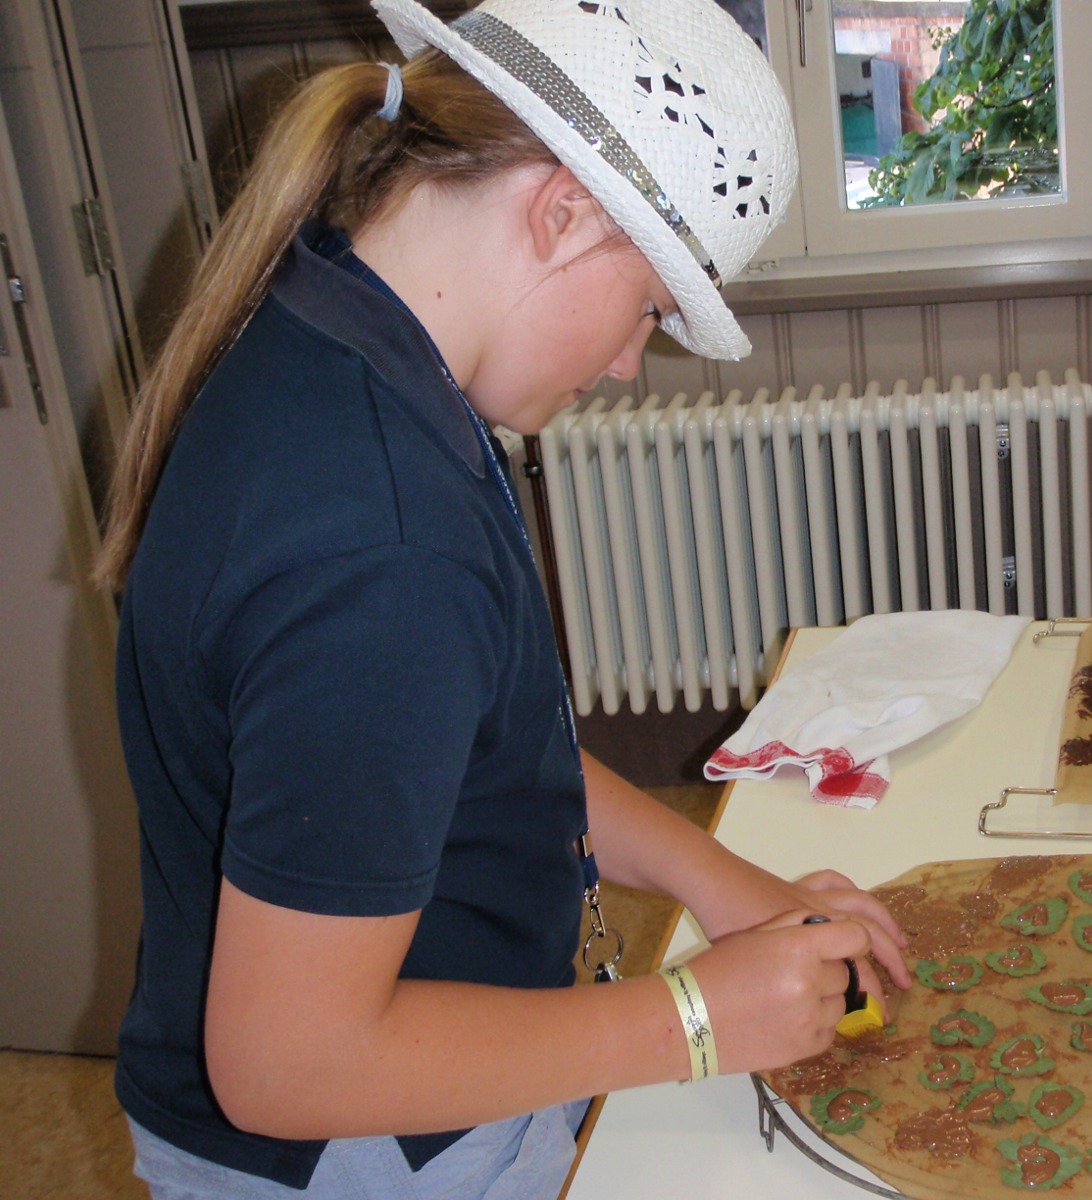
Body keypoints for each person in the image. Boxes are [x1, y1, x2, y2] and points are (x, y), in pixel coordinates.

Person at [94, 1, 912, 1195]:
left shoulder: (348, 339)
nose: (632, 359)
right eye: (647, 307)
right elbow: (289, 1064)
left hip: (409, 1080)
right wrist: (691, 1017)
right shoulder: (380, 544)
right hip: (353, 1145)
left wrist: (719, 882)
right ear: (563, 211)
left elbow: (486, 750)